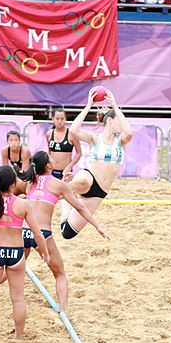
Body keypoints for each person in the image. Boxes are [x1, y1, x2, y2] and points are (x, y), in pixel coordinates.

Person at [0, 152, 110, 312]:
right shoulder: (57, 184)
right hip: (41, 234)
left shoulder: (29, 183)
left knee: (10, 268)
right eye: (51, 159)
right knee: (60, 273)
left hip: (23, 232)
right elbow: (80, 207)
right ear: (49, 166)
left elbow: (11, 197)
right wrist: (97, 226)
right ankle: (64, 311)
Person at [0, 165, 49, 343]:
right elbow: (37, 233)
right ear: (14, 183)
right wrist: (45, 252)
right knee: (18, 298)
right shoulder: (23, 204)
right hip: (16, 252)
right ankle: (18, 337)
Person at [60, 88, 132, 239]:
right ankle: (49, 194)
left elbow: (129, 132)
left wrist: (115, 106)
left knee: (67, 233)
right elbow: (73, 130)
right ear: (110, 121)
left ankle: (65, 202)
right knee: (82, 181)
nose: (122, 124)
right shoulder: (95, 138)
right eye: (119, 120)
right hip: (89, 176)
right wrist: (88, 106)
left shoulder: (121, 141)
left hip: (100, 191)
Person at [46, 109, 83, 180]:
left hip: (65, 171)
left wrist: (69, 166)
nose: (59, 121)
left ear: (65, 119)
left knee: (66, 190)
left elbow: (79, 153)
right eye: (57, 119)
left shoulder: (71, 134)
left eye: (62, 119)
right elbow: (49, 152)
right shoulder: (49, 134)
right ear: (53, 119)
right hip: (52, 171)